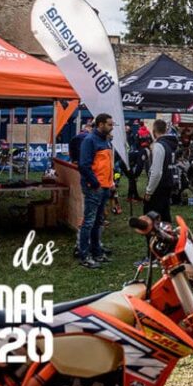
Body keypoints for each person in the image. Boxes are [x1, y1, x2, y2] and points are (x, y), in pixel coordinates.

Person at [78, 113, 114, 269]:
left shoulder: (105, 140)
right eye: (109, 124)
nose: (111, 127)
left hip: (104, 186)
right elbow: (84, 165)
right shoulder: (90, 140)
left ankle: (96, 251)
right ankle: (84, 255)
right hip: (95, 187)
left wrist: (110, 183)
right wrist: (95, 183)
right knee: (89, 221)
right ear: (100, 124)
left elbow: (107, 164)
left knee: (98, 221)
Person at [144, 119, 175, 224]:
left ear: (153, 131)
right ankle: (166, 231)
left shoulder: (158, 146)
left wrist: (149, 191)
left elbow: (156, 172)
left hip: (159, 186)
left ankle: (156, 233)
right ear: (166, 130)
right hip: (168, 182)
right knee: (165, 214)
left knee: (152, 216)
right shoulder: (169, 145)